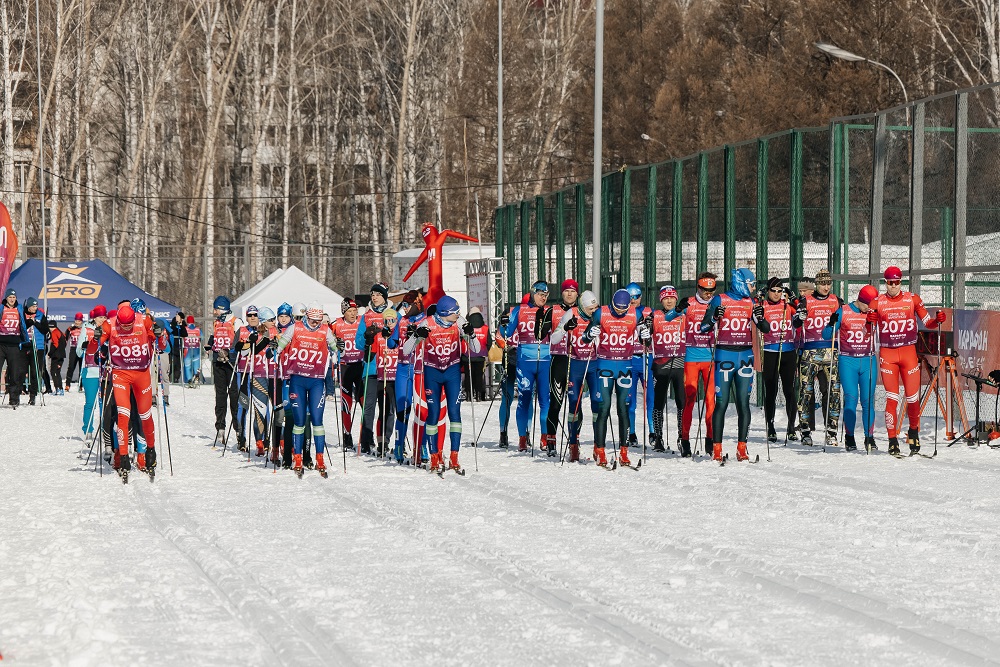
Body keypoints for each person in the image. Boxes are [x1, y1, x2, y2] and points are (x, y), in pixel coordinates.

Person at [868, 266, 946, 455]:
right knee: (892, 398)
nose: (893, 286)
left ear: (901, 282)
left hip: (909, 352)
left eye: (896, 282)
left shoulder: (912, 299)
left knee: (913, 398)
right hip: (888, 354)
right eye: (889, 283)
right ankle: (892, 439)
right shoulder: (877, 302)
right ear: (885, 283)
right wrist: (869, 321)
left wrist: (938, 320)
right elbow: (867, 331)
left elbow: (928, 322)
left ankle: (913, 432)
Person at [403, 295, 480, 472]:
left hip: (452, 371)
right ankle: (434, 456)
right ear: (445, 313)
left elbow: (475, 349)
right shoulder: (427, 323)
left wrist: (471, 334)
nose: (458, 315)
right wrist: (416, 336)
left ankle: (454, 456)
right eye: (455, 312)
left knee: (454, 412)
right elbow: (407, 350)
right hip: (432, 372)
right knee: (434, 413)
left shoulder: (459, 322)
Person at [700, 268, 766, 461]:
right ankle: (717, 448)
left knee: (743, 404)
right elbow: (703, 327)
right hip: (725, 356)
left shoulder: (751, 303)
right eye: (750, 284)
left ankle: (742, 448)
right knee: (721, 404)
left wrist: (760, 317)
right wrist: (713, 318)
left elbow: (767, 329)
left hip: (745, 356)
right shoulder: (720, 300)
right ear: (741, 283)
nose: (753, 288)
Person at [276, 302, 339, 476]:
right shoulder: (295, 328)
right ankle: (297, 456)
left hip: (317, 381)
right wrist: (276, 350)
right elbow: (282, 343)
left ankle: (319, 457)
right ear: (306, 317)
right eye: (312, 320)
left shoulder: (325, 329)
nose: (315, 324)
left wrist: (336, 350)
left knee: (317, 421)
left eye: (318, 320)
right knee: (299, 420)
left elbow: (334, 347)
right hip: (298, 379)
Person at [99, 304, 157, 480]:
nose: (126, 328)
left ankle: (150, 451)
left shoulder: (144, 321)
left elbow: (158, 341)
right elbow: (100, 345)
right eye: (123, 325)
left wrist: (159, 335)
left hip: (141, 374)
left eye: (129, 324)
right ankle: (123, 457)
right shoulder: (109, 324)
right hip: (121, 375)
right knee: (123, 415)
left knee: (145, 415)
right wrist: (97, 340)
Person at [586, 288, 640, 467]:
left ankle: (624, 451)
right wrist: (589, 334)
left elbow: (647, 338)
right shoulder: (601, 312)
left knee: (624, 409)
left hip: (625, 366)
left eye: (623, 310)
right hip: (605, 365)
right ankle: (600, 450)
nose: (619, 312)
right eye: (617, 309)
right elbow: (586, 337)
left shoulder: (634, 314)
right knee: (604, 407)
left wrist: (646, 335)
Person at [665, 273, 718, 454]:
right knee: (690, 400)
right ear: (698, 288)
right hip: (691, 358)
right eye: (705, 290)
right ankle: (685, 439)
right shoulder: (689, 302)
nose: (708, 294)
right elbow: (668, 318)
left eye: (712, 290)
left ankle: (710, 439)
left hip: (710, 358)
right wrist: (678, 309)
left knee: (711, 401)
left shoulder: (716, 303)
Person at [824, 285, 879, 452]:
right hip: (848, 360)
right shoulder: (844, 311)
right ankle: (849, 437)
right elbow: (826, 335)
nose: (870, 309)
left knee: (868, 401)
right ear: (861, 301)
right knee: (851, 400)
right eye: (868, 305)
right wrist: (831, 323)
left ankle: (869, 437)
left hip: (868, 360)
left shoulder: (873, 312)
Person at [793, 269, 844, 447]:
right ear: (816, 284)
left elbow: (845, 321)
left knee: (833, 392)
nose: (826, 286)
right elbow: (795, 323)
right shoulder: (806, 301)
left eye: (828, 283)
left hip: (831, 351)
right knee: (806, 392)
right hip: (810, 351)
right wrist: (799, 318)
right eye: (822, 283)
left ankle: (831, 431)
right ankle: (805, 430)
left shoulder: (836, 300)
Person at [550, 290, 600, 462]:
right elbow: (553, 340)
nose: (593, 311)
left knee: (597, 405)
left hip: (594, 364)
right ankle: (573, 446)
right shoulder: (571, 314)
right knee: (574, 405)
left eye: (595, 307)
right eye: (590, 309)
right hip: (575, 363)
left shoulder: (598, 315)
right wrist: (565, 328)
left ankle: (598, 446)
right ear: (582, 307)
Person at [502, 281, 552, 453]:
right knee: (524, 400)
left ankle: (545, 438)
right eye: (540, 294)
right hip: (525, 362)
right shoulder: (520, 310)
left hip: (546, 362)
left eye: (545, 295)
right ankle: (523, 438)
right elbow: (506, 333)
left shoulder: (550, 312)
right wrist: (504, 325)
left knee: (546, 401)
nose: (543, 297)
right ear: (532, 293)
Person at [541, 279, 579, 456]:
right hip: (558, 360)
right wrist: (543, 323)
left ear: (577, 294)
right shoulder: (552, 310)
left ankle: (574, 441)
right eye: (566, 291)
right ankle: (551, 440)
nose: (569, 294)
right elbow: (540, 335)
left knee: (575, 405)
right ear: (562, 293)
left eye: (573, 291)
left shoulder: (583, 311)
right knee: (555, 403)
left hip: (577, 359)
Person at [650, 286, 687, 455]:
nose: (670, 301)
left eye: (672, 297)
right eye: (666, 298)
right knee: (659, 402)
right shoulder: (655, 315)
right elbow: (643, 334)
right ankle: (658, 437)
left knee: (681, 401)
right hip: (661, 363)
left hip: (680, 361)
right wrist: (645, 328)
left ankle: (682, 435)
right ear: (661, 300)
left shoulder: (684, 314)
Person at [760, 277, 797, 443]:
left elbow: (803, 311)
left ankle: (791, 427)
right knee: (771, 391)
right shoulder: (763, 305)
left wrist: (794, 297)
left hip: (788, 351)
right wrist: (758, 297)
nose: (776, 294)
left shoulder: (787, 306)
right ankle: (771, 426)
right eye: (773, 291)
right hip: (770, 352)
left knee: (789, 390)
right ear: (768, 291)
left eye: (780, 291)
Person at [357, 283, 390, 454]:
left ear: (384, 296)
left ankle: (384, 440)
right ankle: (366, 440)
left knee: (388, 408)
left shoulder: (393, 314)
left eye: (378, 294)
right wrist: (367, 337)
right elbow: (358, 343)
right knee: (368, 406)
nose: (374, 297)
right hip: (370, 367)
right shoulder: (366, 316)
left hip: (388, 367)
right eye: (372, 294)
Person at [206, 295, 241, 444]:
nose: (214, 313)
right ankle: (220, 427)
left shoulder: (236, 321)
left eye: (216, 309)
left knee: (234, 396)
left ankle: (238, 429)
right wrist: (209, 345)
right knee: (220, 396)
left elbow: (240, 342)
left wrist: (228, 351)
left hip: (231, 363)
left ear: (222, 309)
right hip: (218, 363)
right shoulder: (217, 322)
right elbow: (215, 338)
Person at [625, 282, 654, 448]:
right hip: (629, 359)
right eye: (630, 297)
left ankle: (652, 432)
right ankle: (632, 433)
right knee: (630, 400)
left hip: (645, 358)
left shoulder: (648, 311)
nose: (633, 300)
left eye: (636, 297)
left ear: (640, 297)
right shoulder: (622, 313)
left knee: (650, 398)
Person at [495, 295, 526, 448]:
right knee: (506, 398)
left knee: (525, 398)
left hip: (525, 359)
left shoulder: (537, 313)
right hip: (510, 358)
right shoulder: (511, 312)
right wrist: (506, 346)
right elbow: (499, 336)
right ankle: (503, 433)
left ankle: (525, 434)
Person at [333, 298, 363, 450]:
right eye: (349, 311)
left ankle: (366, 436)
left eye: (355, 310)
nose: (353, 313)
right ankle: (347, 435)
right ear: (343, 312)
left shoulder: (362, 322)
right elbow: (325, 337)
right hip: (345, 367)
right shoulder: (336, 324)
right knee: (346, 404)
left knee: (364, 402)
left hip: (360, 366)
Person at [77, 306, 107, 436]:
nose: (103, 319)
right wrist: (83, 346)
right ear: (95, 317)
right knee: (90, 403)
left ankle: (105, 430)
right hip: (90, 371)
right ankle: (88, 429)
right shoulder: (86, 328)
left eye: (105, 317)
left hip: (105, 372)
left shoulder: (108, 329)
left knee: (104, 404)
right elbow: (78, 352)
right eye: (101, 317)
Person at [0, 288, 29, 408]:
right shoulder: (2, 308)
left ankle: (14, 398)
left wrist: (25, 339)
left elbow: (24, 323)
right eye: (10, 297)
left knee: (14, 373)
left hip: (14, 345)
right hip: (1, 344)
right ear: (6, 298)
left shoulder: (19, 309)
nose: (12, 299)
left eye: (14, 297)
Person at [23, 297, 51, 403]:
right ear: (28, 307)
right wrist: (29, 322)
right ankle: (18, 393)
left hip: (38, 347)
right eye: (33, 306)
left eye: (36, 306)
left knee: (35, 372)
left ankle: (33, 396)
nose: (35, 308)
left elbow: (45, 330)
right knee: (21, 371)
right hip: (25, 345)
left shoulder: (40, 316)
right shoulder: (23, 314)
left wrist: (35, 323)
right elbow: (21, 327)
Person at [463, 307, 490, 402]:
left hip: (467, 356)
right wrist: (485, 351)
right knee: (479, 376)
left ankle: (469, 396)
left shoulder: (466, 327)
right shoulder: (485, 328)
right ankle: (479, 395)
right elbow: (489, 342)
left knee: (468, 376)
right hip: (480, 357)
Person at [65, 313, 84, 391]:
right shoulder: (71, 328)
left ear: (81, 321)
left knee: (81, 368)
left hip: (82, 349)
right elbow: (65, 338)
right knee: (71, 367)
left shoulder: (84, 328)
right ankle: (67, 384)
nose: (77, 322)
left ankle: (80, 385)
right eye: (76, 320)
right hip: (73, 349)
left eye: (79, 321)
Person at [48, 319, 67, 396]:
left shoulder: (54, 332)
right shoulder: (61, 332)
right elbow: (64, 343)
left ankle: (57, 389)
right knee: (58, 372)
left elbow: (55, 344)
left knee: (53, 372)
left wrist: (50, 354)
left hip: (56, 356)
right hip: (61, 355)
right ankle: (61, 389)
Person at [182, 315, 202, 386]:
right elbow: (201, 338)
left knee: (188, 366)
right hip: (196, 348)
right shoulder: (198, 329)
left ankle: (189, 380)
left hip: (187, 349)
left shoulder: (185, 329)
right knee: (196, 366)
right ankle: (196, 377)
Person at [170, 312, 186, 383]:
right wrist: (176, 323)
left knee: (178, 365)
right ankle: (171, 377)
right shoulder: (173, 322)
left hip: (179, 346)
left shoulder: (182, 324)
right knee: (173, 363)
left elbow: (185, 334)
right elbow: (172, 330)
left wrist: (181, 324)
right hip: (173, 346)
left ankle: (176, 377)